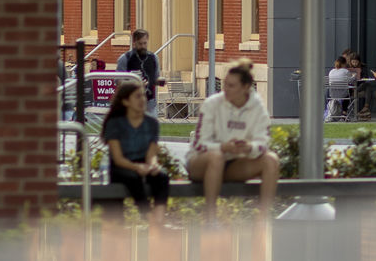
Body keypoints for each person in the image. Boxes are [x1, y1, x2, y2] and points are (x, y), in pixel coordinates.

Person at [187, 59, 279, 218]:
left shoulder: (258, 108)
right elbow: (199, 144)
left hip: (234, 164)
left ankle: (263, 220)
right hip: (202, 162)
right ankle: (211, 219)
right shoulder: (212, 104)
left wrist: (249, 147)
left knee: (271, 160)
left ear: (245, 87)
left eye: (231, 86)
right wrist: (223, 147)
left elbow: (263, 143)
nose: (225, 89)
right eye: (225, 84)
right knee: (217, 157)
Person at [102, 81, 169, 221]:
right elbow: (118, 158)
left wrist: (153, 165)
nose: (142, 100)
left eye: (144, 96)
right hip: (121, 166)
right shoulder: (115, 123)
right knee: (133, 177)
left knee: (161, 177)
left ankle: (159, 218)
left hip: (143, 163)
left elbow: (151, 153)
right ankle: (148, 216)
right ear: (126, 101)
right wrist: (136, 167)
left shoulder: (151, 123)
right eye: (137, 96)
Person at [116, 29, 161, 118]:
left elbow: (156, 78)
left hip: (150, 103)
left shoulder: (154, 58)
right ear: (134, 43)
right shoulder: (125, 59)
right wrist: (135, 84)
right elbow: (118, 81)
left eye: (145, 43)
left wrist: (160, 81)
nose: (143, 46)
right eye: (140, 44)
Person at [326, 54, 358, 120]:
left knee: (344, 92)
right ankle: (344, 113)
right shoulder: (345, 71)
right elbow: (351, 81)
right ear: (344, 64)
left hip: (333, 94)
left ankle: (335, 114)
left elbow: (330, 83)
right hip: (344, 94)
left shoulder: (331, 71)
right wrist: (354, 76)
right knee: (348, 92)